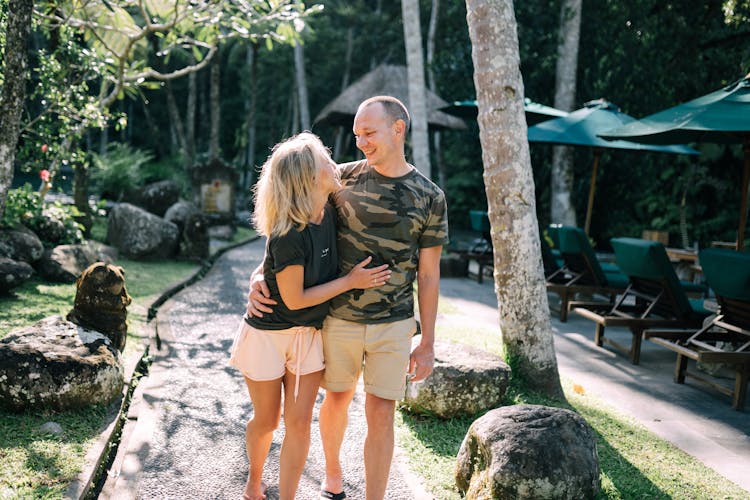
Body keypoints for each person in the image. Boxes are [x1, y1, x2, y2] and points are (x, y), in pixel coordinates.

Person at [247, 96, 449, 500]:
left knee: (381, 412)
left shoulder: (430, 197)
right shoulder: (340, 178)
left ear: (398, 129)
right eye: (357, 134)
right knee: (336, 400)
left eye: (369, 133)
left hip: (394, 321)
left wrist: (426, 342)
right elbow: (289, 222)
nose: (360, 143)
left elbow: (428, 275)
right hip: (337, 319)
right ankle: (334, 471)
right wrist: (257, 276)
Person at [229, 132, 392, 500]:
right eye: (324, 159)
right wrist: (351, 281)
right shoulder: (289, 231)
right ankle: (254, 481)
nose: (334, 163)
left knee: (299, 423)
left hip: (309, 336)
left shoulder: (331, 206)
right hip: (269, 334)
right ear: (307, 176)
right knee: (268, 421)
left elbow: (381, 166)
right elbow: (296, 298)